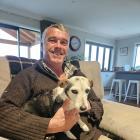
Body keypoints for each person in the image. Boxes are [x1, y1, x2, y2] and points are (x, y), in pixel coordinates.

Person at [0, 24, 104, 140]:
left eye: (64, 42)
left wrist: (88, 105)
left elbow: (98, 105)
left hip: (91, 135)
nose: (59, 46)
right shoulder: (28, 75)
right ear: (42, 46)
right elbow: (3, 112)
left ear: (67, 49)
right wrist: (52, 126)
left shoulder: (78, 75)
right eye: (52, 40)